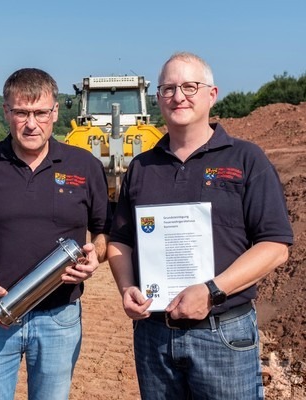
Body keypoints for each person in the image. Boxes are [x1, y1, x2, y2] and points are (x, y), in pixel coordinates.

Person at [107, 52, 294, 400]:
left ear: (212, 94)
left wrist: (211, 291)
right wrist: (126, 287)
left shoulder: (246, 159)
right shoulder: (141, 168)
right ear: (158, 98)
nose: (179, 96)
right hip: (153, 335)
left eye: (190, 86)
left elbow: (275, 247)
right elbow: (120, 241)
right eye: (169, 88)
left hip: (222, 333)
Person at [0, 67, 112, 400]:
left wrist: (95, 257)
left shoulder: (83, 165)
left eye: (41, 113)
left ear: (55, 112)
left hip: (60, 317)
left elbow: (104, 231)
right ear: (6, 111)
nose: (31, 123)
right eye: (21, 113)